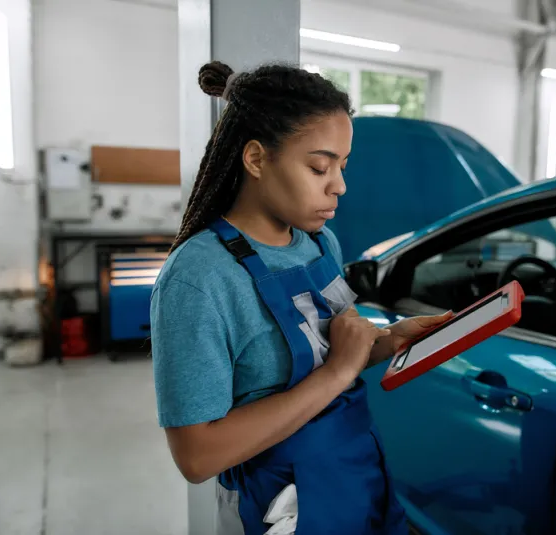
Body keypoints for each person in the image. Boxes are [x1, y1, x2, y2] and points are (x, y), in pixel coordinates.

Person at [150, 60, 453, 535]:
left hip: (355, 478)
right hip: (276, 508)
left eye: (342, 166)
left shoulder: (318, 243)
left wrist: (389, 340)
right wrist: (337, 374)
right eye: (319, 166)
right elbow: (196, 455)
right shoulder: (199, 279)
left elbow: (331, 351)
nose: (339, 185)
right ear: (255, 159)